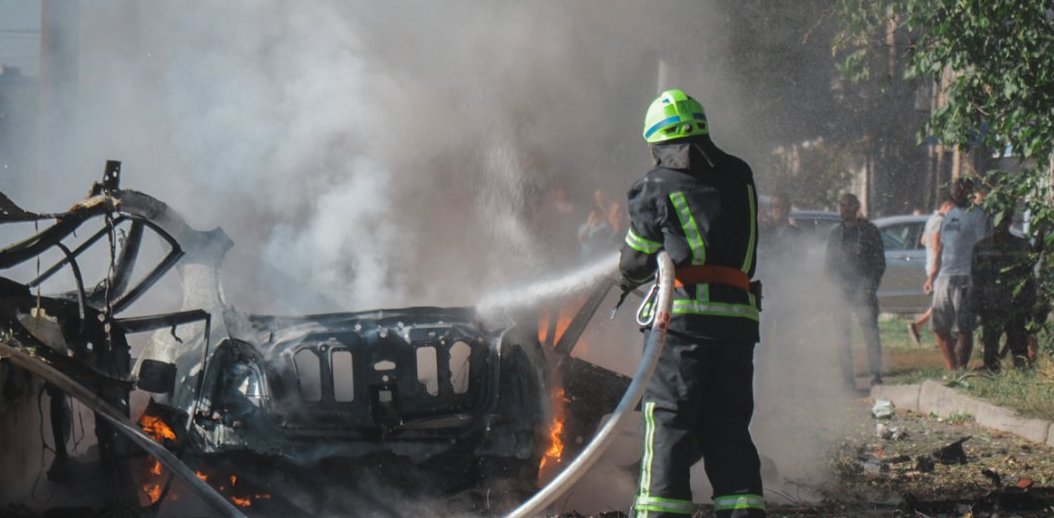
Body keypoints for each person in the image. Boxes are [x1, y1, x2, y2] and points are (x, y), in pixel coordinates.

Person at [619, 88, 766, 518]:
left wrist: (624, 276)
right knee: (729, 424)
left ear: (659, 144)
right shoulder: (739, 174)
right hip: (739, 320)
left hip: (683, 322)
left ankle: (658, 514)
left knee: (668, 420)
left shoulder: (654, 185)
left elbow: (637, 260)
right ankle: (743, 511)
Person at [923, 178, 989, 370]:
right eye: (955, 191)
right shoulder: (951, 214)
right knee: (938, 326)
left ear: (970, 194)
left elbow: (983, 247)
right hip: (945, 276)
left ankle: (960, 368)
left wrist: (978, 278)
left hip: (966, 275)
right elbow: (940, 248)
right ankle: (952, 368)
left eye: (962, 191)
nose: (957, 194)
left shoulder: (977, 215)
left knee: (963, 327)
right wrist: (931, 277)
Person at [824, 193, 885, 388]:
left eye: (849, 205)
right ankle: (847, 380)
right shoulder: (835, 234)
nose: (845, 209)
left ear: (857, 206)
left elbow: (879, 262)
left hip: (864, 290)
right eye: (842, 205)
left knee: (871, 335)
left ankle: (876, 375)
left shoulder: (869, 231)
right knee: (842, 337)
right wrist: (833, 289)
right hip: (842, 292)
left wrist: (870, 286)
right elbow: (829, 265)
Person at [970, 210, 1037, 371]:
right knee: (991, 348)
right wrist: (976, 304)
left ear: (1009, 222)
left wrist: (1028, 304)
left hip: (1013, 306)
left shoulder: (1022, 246)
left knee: (1019, 348)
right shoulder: (981, 247)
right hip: (992, 306)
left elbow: (1028, 279)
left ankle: (1021, 377)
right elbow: (976, 278)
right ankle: (993, 374)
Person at [908, 196, 955, 345]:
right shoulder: (940, 221)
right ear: (946, 205)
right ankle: (922, 328)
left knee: (942, 304)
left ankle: (922, 328)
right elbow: (936, 246)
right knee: (942, 305)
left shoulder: (931, 219)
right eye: (953, 208)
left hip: (934, 266)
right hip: (939, 267)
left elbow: (923, 240)